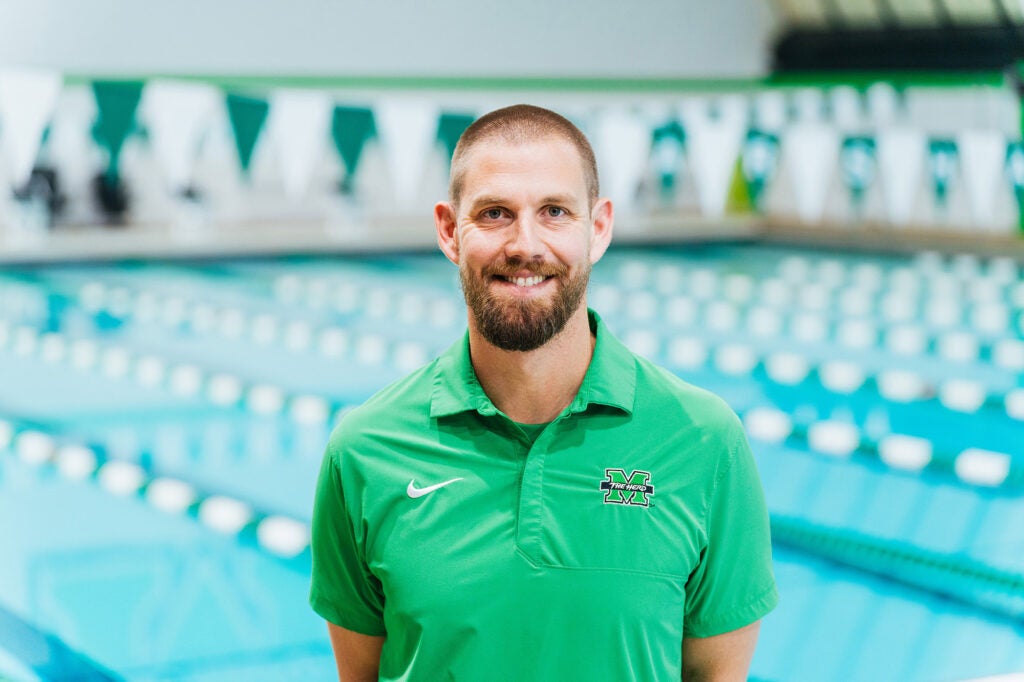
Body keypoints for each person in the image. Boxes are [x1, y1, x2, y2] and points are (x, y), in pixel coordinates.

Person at [309, 104, 778, 681]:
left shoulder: (704, 442)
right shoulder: (364, 450)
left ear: (598, 227)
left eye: (554, 211)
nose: (524, 244)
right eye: (495, 213)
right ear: (449, 230)